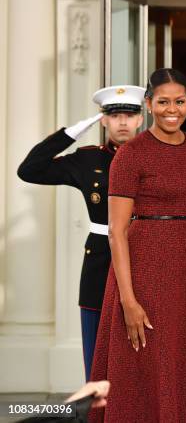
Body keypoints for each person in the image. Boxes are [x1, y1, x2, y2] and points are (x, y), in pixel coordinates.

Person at [89, 68, 186, 422]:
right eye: (162, 102)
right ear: (148, 105)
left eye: (179, 101)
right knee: (142, 363)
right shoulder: (132, 154)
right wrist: (128, 300)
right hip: (145, 270)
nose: (171, 109)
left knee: (184, 360)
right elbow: (116, 230)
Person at [17, 86, 145, 380]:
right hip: (101, 258)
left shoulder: (153, 157)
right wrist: (73, 131)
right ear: (103, 121)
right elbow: (30, 170)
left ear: (141, 118)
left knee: (142, 349)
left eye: (129, 114)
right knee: (96, 348)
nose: (123, 122)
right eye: (114, 116)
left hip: (143, 253)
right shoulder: (88, 160)